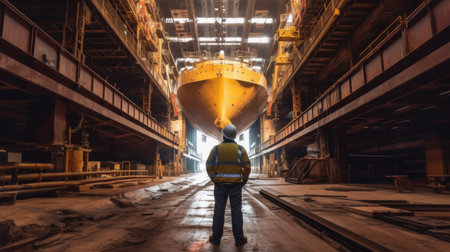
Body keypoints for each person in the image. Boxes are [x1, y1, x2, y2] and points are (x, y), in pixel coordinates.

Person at [206, 123, 251, 246]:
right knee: (236, 211)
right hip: (236, 185)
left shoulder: (216, 149)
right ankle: (239, 239)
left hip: (220, 185)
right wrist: (244, 180)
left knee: (219, 211)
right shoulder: (240, 149)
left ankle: (215, 239)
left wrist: (213, 178)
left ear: (223, 135)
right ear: (235, 136)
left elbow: (209, 165)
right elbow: (247, 166)